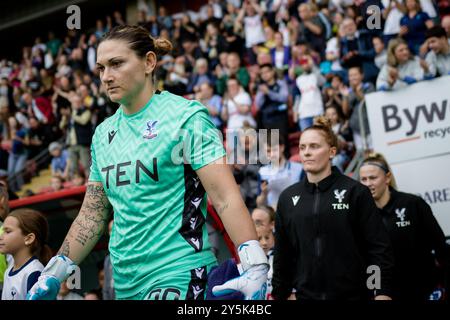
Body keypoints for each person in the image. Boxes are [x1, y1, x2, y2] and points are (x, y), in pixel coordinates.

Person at [27, 25, 268, 301]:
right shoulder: (103, 134)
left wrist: (254, 262)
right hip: (125, 284)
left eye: (116, 64)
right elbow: (92, 214)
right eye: (101, 68)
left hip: (179, 271)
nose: (106, 77)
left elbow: (224, 197)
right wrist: (54, 271)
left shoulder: (186, 117)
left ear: (149, 62)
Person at [272, 117, 395, 300]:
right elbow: (282, 254)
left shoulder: (356, 192)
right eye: (303, 147)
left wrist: (380, 292)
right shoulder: (287, 198)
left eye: (314, 146)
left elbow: (377, 249)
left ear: (331, 152)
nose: (306, 153)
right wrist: (281, 294)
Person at [359, 153, 449, 300]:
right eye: (363, 179)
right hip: (389, 295)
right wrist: (375, 292)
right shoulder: (361, 216)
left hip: (426, 290)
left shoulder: (413, 204)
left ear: (387, 178)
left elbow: (441, 248)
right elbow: (370, 262)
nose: (368, 183)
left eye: (373, 178)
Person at [0, 209, 52, 300]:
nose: (1, 236)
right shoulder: (8, 271)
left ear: (29, 239)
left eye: (7, 232)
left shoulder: (34, 272)